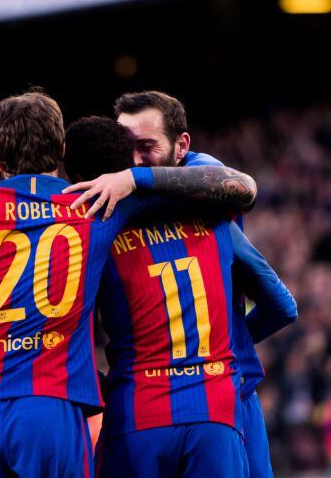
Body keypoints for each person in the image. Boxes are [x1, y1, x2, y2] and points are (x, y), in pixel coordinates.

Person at [0, 89, 256, 478]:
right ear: (60, 148)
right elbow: (239, 188)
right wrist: (131, 178)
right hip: (52, 408)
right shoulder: (95, 205)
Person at [74, 91, 295, 477]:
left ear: (182, 146)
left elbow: (244, 188)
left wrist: (131, 178)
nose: (135, 159)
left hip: (181, 402)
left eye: (147, 146)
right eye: (127, 150)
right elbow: (280, 304)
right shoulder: (205, 211)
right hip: (220, 398)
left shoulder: (193, 183)